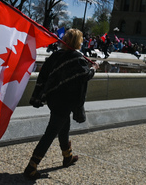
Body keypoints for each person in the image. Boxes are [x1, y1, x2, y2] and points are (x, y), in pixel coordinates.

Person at [24, 29, 99, 180]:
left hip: (53, 98)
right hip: (66, 101)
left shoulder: (56, 56)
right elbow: (84, 75)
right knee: (51, 132)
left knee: (64, 127)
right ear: (78, 42)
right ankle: (31, 166)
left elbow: (45, 73)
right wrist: (94, 68)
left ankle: (67, 157)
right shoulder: (77, 58)